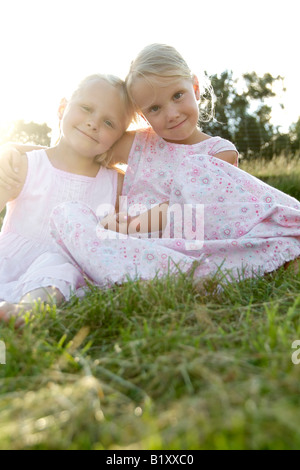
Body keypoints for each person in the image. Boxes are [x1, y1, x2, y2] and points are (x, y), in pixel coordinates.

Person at [1, 44, 299, 294]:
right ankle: (163, 278)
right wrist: (12, 151)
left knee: (207, 188)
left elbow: (194, 206)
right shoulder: (139, 144)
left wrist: (133, 224)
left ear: (195, 87)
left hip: (189, 241)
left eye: (178, 96)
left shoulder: (218, 152)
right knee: (71, 217)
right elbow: (74, 149)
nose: (171, 114)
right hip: (133, 247)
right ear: (144, 116)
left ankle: (213, 271)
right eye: (154, 109)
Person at [0, 73, 135, 326]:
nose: (94, 123)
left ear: (119, 137)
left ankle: (27, 312)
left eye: (109, 123)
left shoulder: (115, 184)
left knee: (60, 263)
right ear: (63, 107)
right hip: (8, 263)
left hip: (58, 277)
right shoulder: (25, 164)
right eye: (86, 108)